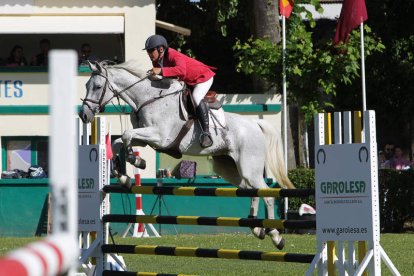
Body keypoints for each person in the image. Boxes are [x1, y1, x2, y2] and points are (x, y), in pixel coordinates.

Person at [143, 34, 216, 148]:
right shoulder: (156, 62)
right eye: (147, 51)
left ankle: (206, 133)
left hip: (202, 77)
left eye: (151, 50)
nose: (149, 54)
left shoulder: (173, 54)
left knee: (196, 97)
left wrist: (161, 71)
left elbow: (181, 71)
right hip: (189, 81)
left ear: (161, 49)